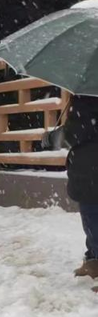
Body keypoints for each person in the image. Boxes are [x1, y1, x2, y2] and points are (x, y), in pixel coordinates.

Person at [59, 95, 98, 282]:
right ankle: (93, 260)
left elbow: (75, 133)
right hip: (89, 168)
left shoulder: (86, 97)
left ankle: (94, 259)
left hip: (90, 170)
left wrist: (61, 132)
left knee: (92, 220)